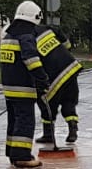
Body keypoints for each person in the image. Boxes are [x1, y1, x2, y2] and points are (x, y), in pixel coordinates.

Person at [0, 0, 52, 169]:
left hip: (9, 88)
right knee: (25, 121)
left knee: (14, 121)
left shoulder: (8, 36)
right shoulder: (26, 37)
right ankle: (22, 156)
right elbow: (32, 60)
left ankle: (12, 153)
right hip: (23, 88)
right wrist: (42, 79)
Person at [30, 19, 82, 147]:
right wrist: (66, 49)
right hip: (70, 67)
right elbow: (60, 33)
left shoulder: (27, 40)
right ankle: (73, 128)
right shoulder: (44, 28)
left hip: (55, 75)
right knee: (68, 100)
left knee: (46, 101)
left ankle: (48, 134)